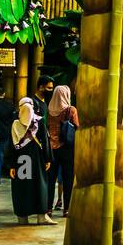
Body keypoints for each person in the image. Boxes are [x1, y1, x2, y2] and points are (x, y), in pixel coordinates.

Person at [6, 97, 55, 225]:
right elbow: (45, 141)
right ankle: (41, 216)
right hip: (37, 160)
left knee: (23, 187)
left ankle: (23, 217)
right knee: (39, 186)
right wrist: (48, 158)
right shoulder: (39, 122)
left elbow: (11, 146)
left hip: (22, 161)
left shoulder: (15, 124)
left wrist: (12, 165)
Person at [47, 85, 79, 216]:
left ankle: (48, 208)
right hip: (67, 148)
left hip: (51, 149)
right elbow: (77, 126)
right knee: (68, 179)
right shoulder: (71, 110)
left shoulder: (48, 109)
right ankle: (67, 209)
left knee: (50, 179)